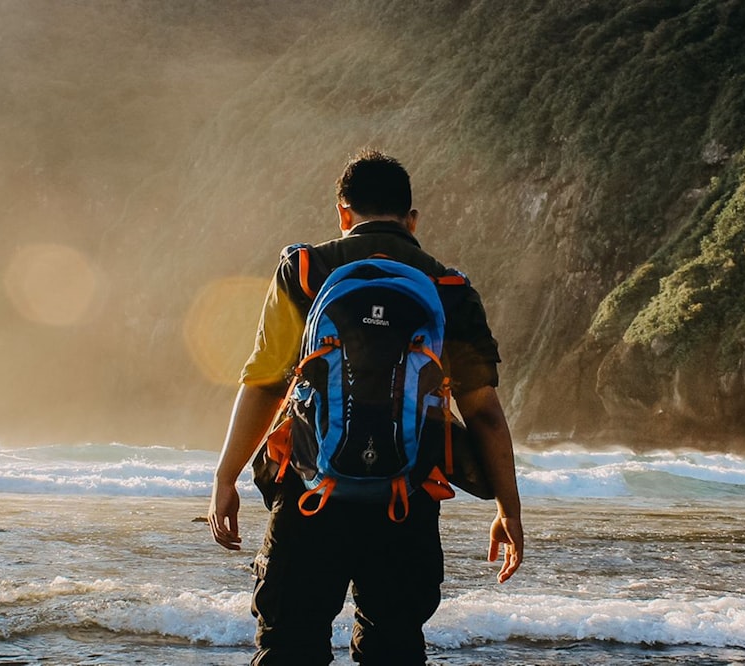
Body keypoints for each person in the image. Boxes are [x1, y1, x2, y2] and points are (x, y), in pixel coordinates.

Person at [208, 149, 523, 665]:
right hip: (408, 497)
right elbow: (483, 411)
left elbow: (264, 382)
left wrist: (227, 477)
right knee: (393, 647)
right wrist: (508, 508)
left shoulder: (305, 271)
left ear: (343, 212)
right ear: (412, 220)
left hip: (311, 494)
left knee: (288, 645)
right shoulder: (449, 289)